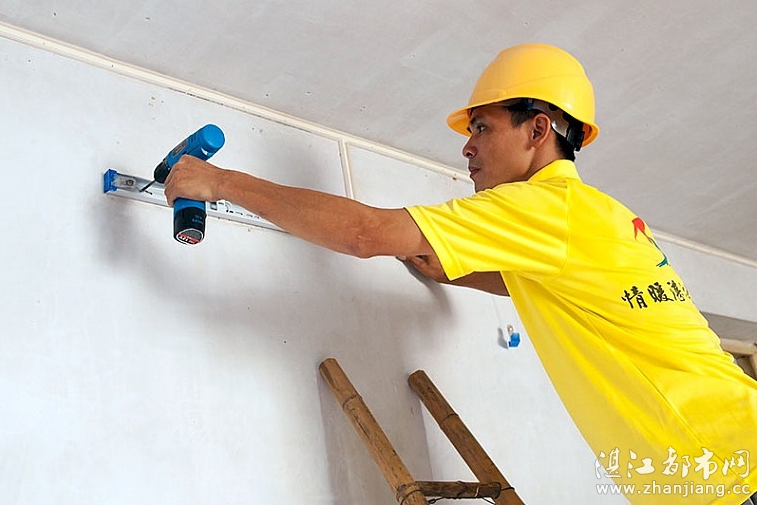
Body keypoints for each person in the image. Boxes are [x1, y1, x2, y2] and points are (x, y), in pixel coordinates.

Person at [164, 43, 757, 504]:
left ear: (538, 130)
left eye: (482, 127)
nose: (467, 148)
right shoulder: (595, 214)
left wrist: (218, 181)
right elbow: (537, 285)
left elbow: (365, 234)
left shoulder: (544, 206)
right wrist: (447, 263)